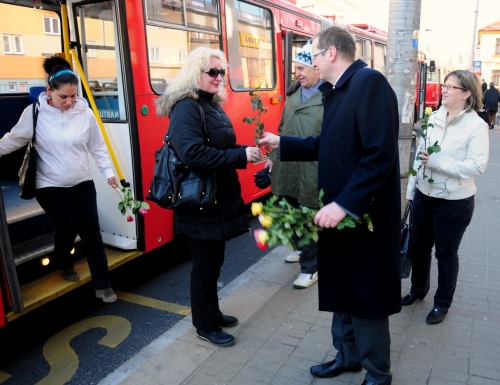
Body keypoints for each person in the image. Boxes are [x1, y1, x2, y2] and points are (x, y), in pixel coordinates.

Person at [259, 26, 401, 385]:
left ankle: (377, 373)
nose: (313, 61)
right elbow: (330, 143)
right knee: (342, 290)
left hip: (360, 218)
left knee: (365, 297)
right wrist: (283, 142)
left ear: (332, 53)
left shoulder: (368, 83)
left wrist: (344, 205)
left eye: (315, 54)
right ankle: (347, 356)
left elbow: (378, 157)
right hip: (337, 217)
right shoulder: (340, 90)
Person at [155, 47, 262, 347]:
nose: (218, 77)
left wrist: (245, 152)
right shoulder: (187, 107)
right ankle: (204, 325)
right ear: (195, 73)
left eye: (222, 72)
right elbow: (192, 152)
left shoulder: (210, 104)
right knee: (204, 267)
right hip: (197, 203)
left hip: (213, 199)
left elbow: (219, 145)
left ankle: (212, 312)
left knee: (213, 262)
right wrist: (239, 155)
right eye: (212, 72)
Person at [0, 56, 119, 303]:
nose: (69, 101)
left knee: (92, 232)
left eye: (73, 96)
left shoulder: (84, 113)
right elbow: (13, 139)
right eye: (63, 96)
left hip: (82, 181)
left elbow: (97, 147)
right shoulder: (34, 113)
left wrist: (108, 173)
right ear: (49, 91)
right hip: (48, 183)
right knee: (67, 225)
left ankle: (103, 285)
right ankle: (65, 262)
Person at [403, 70, 489, 325]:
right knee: (419, 248)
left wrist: (439, 162)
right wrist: (411, 192)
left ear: (467, 94)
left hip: (455, 202)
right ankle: (418, 290)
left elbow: (477, 166)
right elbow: (420, 157)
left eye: (451, 87)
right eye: (445, 85)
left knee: (446, 253)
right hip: (424, 196)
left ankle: (442, 304)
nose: (444, 90)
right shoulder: (434, 118)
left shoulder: (476, 125)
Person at [265, 42, 323, 289]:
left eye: (302, 67)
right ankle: (300, 249)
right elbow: (282, 127)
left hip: (312, 165)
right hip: (288, 162)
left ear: (316, 68)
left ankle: (311, 268)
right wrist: (272, 157)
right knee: (291, 206)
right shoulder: (293, 93)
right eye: (296, 68)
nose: (297, 73)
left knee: (309, 213)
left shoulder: (330, 95)